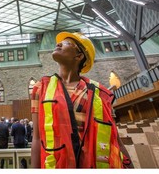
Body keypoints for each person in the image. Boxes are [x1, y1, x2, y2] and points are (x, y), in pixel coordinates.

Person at [30, 31, 133, 169]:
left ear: (79, 56)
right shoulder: (41, 88)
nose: (58, 44)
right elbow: (37, 138)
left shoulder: (98, 92)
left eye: (66, 43)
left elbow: (114, 139)